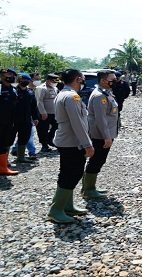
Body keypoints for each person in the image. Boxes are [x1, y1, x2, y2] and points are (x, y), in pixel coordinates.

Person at [46, 69, 93, 224]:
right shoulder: (72, 96)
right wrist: (87, 144)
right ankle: (56, 209)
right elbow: (77, 123)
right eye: (83, 79)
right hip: (72, 142)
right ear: (78, 79)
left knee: (67, 172)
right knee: (73, 173)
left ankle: (67, 205)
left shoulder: (63, 93)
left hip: (66, 140)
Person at [82, 70, 119, 199]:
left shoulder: (106, 93)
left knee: (98, 159)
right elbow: (100, 118)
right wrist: (106, 136)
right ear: (103, 80)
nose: (115, 81)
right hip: (100, 135)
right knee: (97, 160)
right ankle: (88, 189)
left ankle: (89, 186)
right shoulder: (99, 96)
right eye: (112, 79)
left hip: (105, 132)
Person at [10, 73, 40, 164]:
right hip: (13, 120)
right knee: (9, 139)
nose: (25, 82)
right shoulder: (13, 91)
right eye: (22, 80)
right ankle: (4, 159)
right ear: (18, 81)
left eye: (27, 81)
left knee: (24, 138)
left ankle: (21, 157)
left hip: (26, 119)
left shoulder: (30, 92)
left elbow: (34, 106)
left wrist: (36, 118)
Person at [35, 73, 60, 152]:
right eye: (54, 81)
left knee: (57, 126)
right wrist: (43, 112)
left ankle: (49, 138)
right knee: (43, 129)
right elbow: (39, 101)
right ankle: (44, 145)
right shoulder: (41, 88)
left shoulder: (55, 88)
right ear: (49, 81)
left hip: (54, 112)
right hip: (45, 113)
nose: (55, 83)